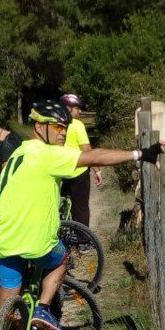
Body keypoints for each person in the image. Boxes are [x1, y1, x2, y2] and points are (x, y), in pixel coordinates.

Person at [0, 100, 163, 330]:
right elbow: (94, 157)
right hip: (36, 241)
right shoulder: (47, 154)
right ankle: (43, 308)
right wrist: (140, 153)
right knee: (61, 260)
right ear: (39, 127)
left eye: (65, 127)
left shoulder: (18, 153)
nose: (63, 132)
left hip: (4, 238)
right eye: (57, 127)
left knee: (8, 294)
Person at [59, 93, 100, 229]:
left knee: (60, 202)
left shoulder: (55, 124)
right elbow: (86, 149)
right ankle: (83, 240)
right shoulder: (77, 125)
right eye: (77, 108)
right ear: (69, 108)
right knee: (81, 207)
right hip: (78, 172)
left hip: (61, 171)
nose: (80, 111)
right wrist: (97, 170)